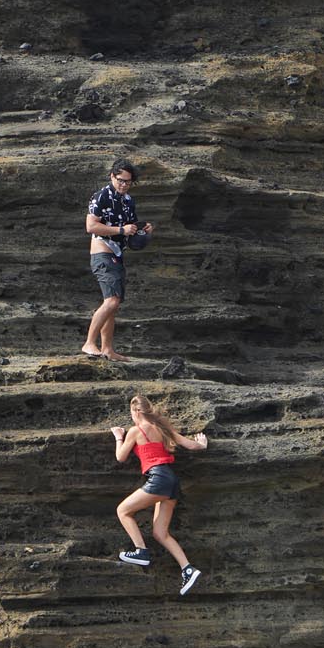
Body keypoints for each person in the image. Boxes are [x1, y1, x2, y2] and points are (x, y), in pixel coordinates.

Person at [110, 393, 206, 595]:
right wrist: (203, 444)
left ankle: (141, 551)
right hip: (172, 481)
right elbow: (191, 445)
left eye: (132, 413)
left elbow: (120, 457)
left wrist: (119, 436)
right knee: (160, 533)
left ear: (136, 411)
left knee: (123, 511)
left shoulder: (136, 431)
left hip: (158, 479)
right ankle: (188, 569)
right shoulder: (163, 429)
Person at [82, 159, 154, 362]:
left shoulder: (128, 201)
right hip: (102, 253)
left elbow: (132, 228)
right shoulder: (101, 196)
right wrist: (120, 230)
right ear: (112, 176)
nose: (123, 184)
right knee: (111, 301)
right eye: (120, 180)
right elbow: (91, 227)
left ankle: (107, 349)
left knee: (114, 303)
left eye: (128, 182)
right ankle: (89, 343)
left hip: (117, 254)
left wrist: (144, 229)